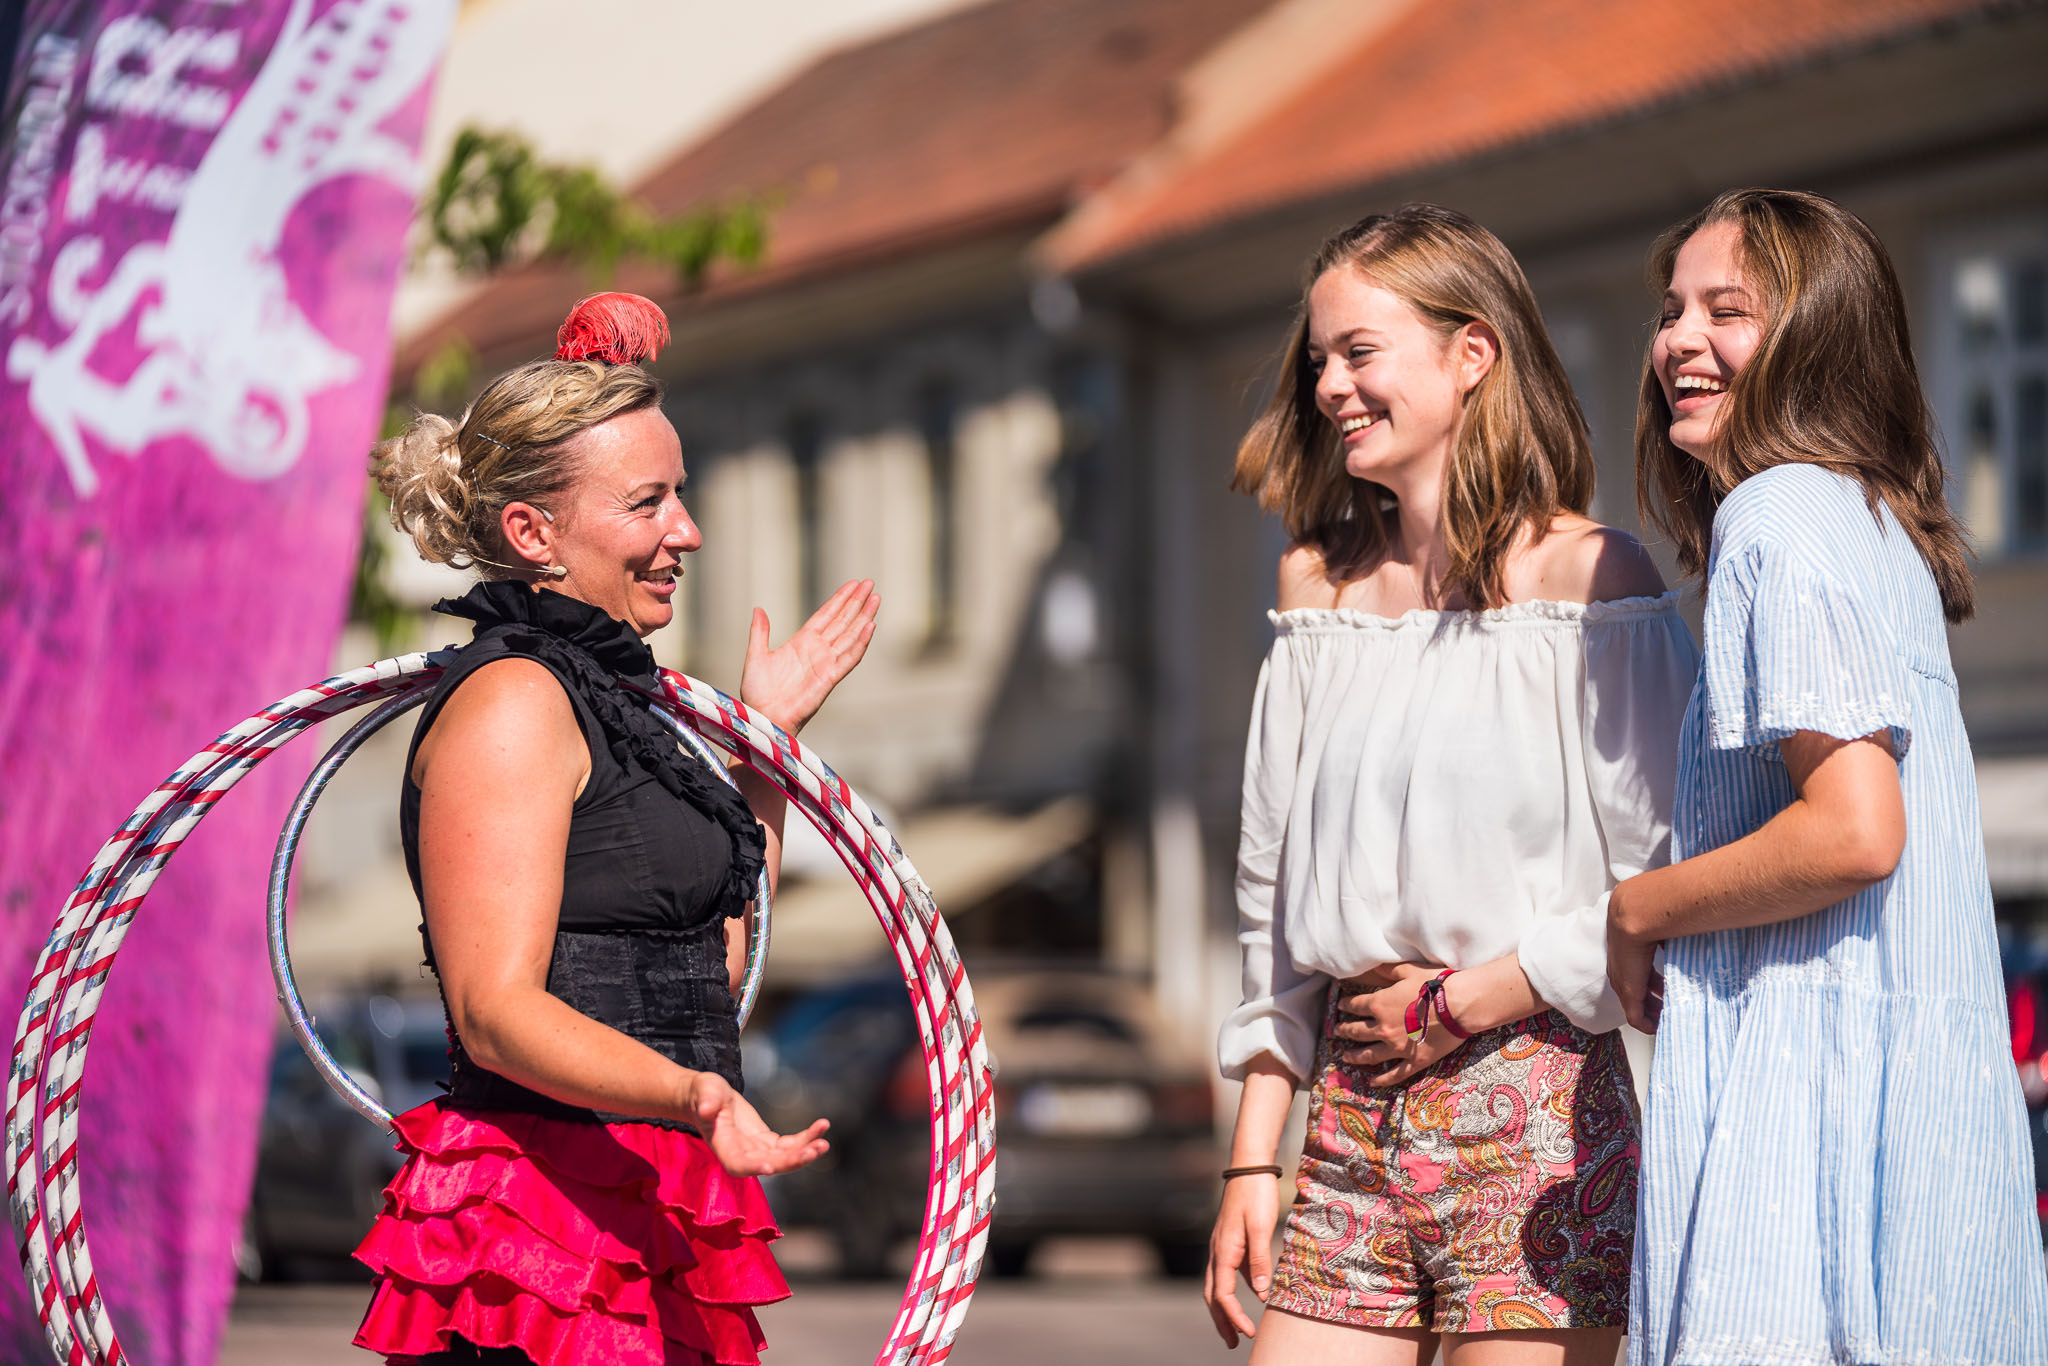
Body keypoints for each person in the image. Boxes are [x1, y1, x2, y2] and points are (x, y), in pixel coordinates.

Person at [1206, 204, 1699, 1365]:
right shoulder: (1314, 593)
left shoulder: (1592, 581)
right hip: (1346, 1116)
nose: (1329, 384)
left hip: (1536, 1122)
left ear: (1469, 353)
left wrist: (1466, 996)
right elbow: (1268, 905)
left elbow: (1664, 881)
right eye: (1317, 358)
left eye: (1358, 351)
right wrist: (1250, 1157)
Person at [348, 292, 881, 1366]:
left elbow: (716, 962)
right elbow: (495, 1012)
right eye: (647, 503)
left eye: (678, 495)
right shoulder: (511, 704)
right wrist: (693, 1093)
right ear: (531, 532)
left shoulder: (624, 711)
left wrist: (765, 750)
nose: (685, 530)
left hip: (658, 1196)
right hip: (536, 1223)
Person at [1611, 188, 2048, 1365]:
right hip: (1919, 1152)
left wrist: (1635, 907)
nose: (1675, 342)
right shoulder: (1868, 525)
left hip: (1805, 1134)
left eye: (1726, 311)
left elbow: (1853, 830)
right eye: (1668, 310)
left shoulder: (1775, 514)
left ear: (1815, 337)